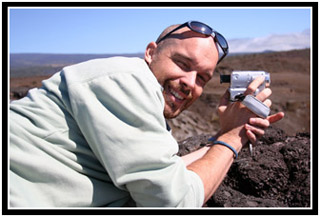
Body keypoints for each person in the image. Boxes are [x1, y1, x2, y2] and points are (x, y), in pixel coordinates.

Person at [9, 21, 284, 207]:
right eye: (181, 63)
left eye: (202, 77)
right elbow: (173, 202)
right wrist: (233, 139)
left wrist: (225, 134)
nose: (190, 82)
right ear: (151, 52)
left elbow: (165, 174)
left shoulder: (134, 93)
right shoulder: (126, 81)